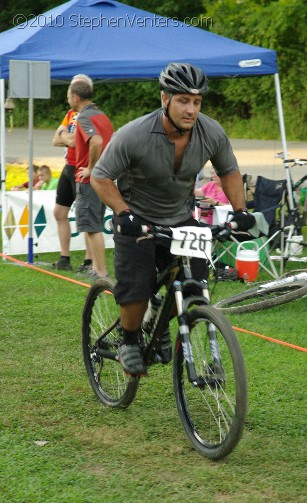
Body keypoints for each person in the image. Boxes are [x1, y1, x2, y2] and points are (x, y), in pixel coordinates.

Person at [91, 62, 255, 376]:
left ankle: (160, 317)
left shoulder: (211, 132)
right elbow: (100, 177)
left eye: (196, 102)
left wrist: (241, 211)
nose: (191, 109)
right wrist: (123, 213)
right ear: (165, 99)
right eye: (183, 100)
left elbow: (229, 171)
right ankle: (128, 340)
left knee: (195, 286)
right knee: (137, 288)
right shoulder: (135, 135)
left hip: (180, 219)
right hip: (137, 221)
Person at [68, 79, 113, 278]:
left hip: (90, 180)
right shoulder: (102, 115)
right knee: (94, 223)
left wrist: (90, 169)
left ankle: (100, 272)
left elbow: (97, 141)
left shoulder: (84, 117)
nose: (68, 100)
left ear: (75, 98)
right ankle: (97, 269)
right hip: (105, 176)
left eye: (69, 96)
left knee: (92, 227)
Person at [52, 74, 94, 272]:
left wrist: (66, 137)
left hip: (82, 169)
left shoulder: (89, 115)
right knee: (60, 212)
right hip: (68, 166)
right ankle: (64, 258)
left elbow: (74, 141)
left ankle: (88, 262)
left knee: (84, 216)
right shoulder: (70, 114)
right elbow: (56, 139)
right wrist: (67, 138)